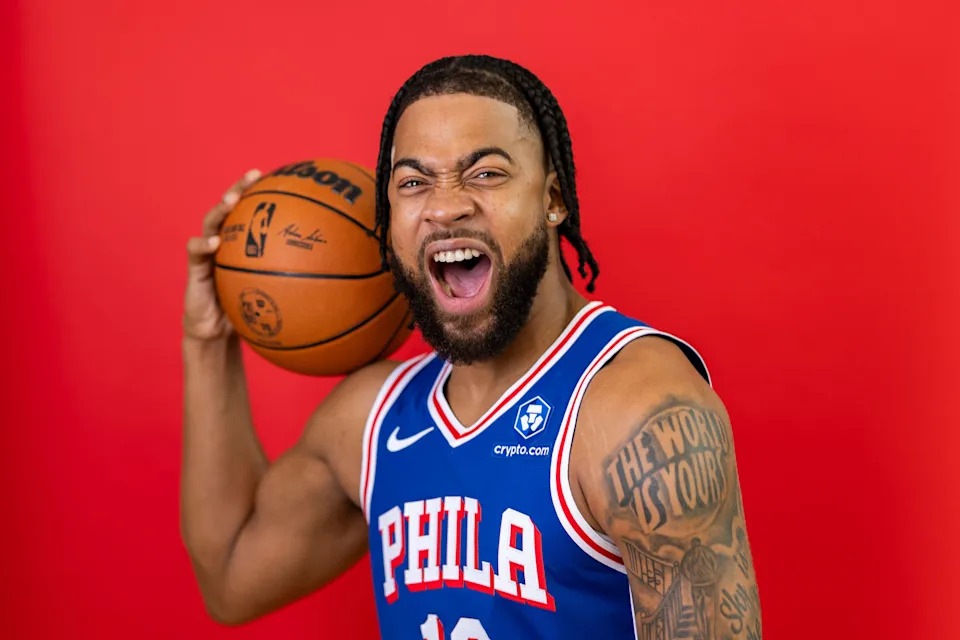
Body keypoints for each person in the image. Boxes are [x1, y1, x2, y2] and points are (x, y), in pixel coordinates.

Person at [181, 54, 761, 640]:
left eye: (485, 173)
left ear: (553, 199)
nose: (445, 205)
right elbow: (231, 577)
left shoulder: (636, 412)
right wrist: (207, 342)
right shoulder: (372, 421)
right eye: (414, 183)